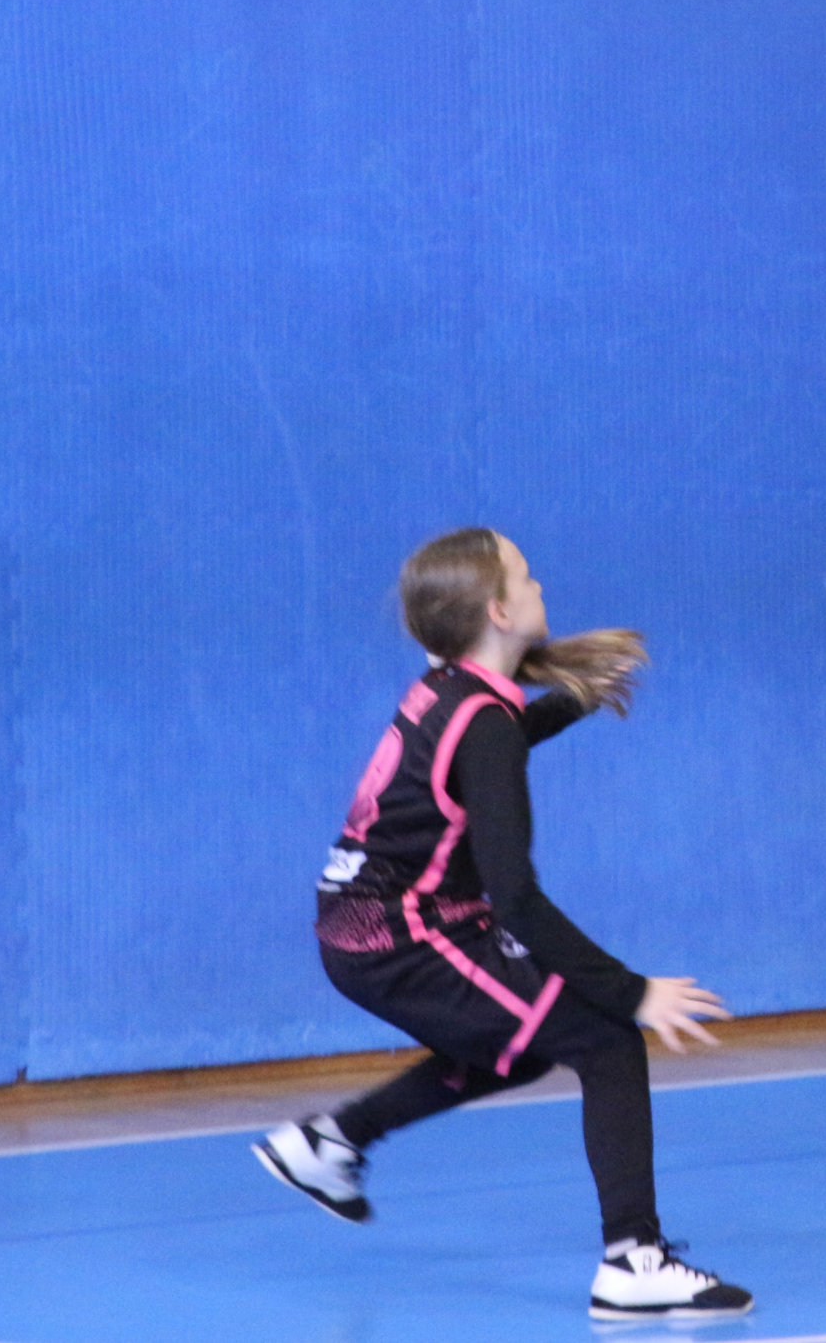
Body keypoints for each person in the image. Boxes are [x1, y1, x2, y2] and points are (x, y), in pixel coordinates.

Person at [252, 528, 751, 1321]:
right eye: (526, 575)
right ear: (498, 611)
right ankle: (633, 1260)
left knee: (520, 1048)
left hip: (365, 925)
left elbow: (483, 754)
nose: (540, 582)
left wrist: (571, 701)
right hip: (403, 935)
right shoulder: (482, 722)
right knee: (606, 1039)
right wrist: (633, 992)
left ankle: (333, 1141)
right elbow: (517, 898)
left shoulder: (453, 690)